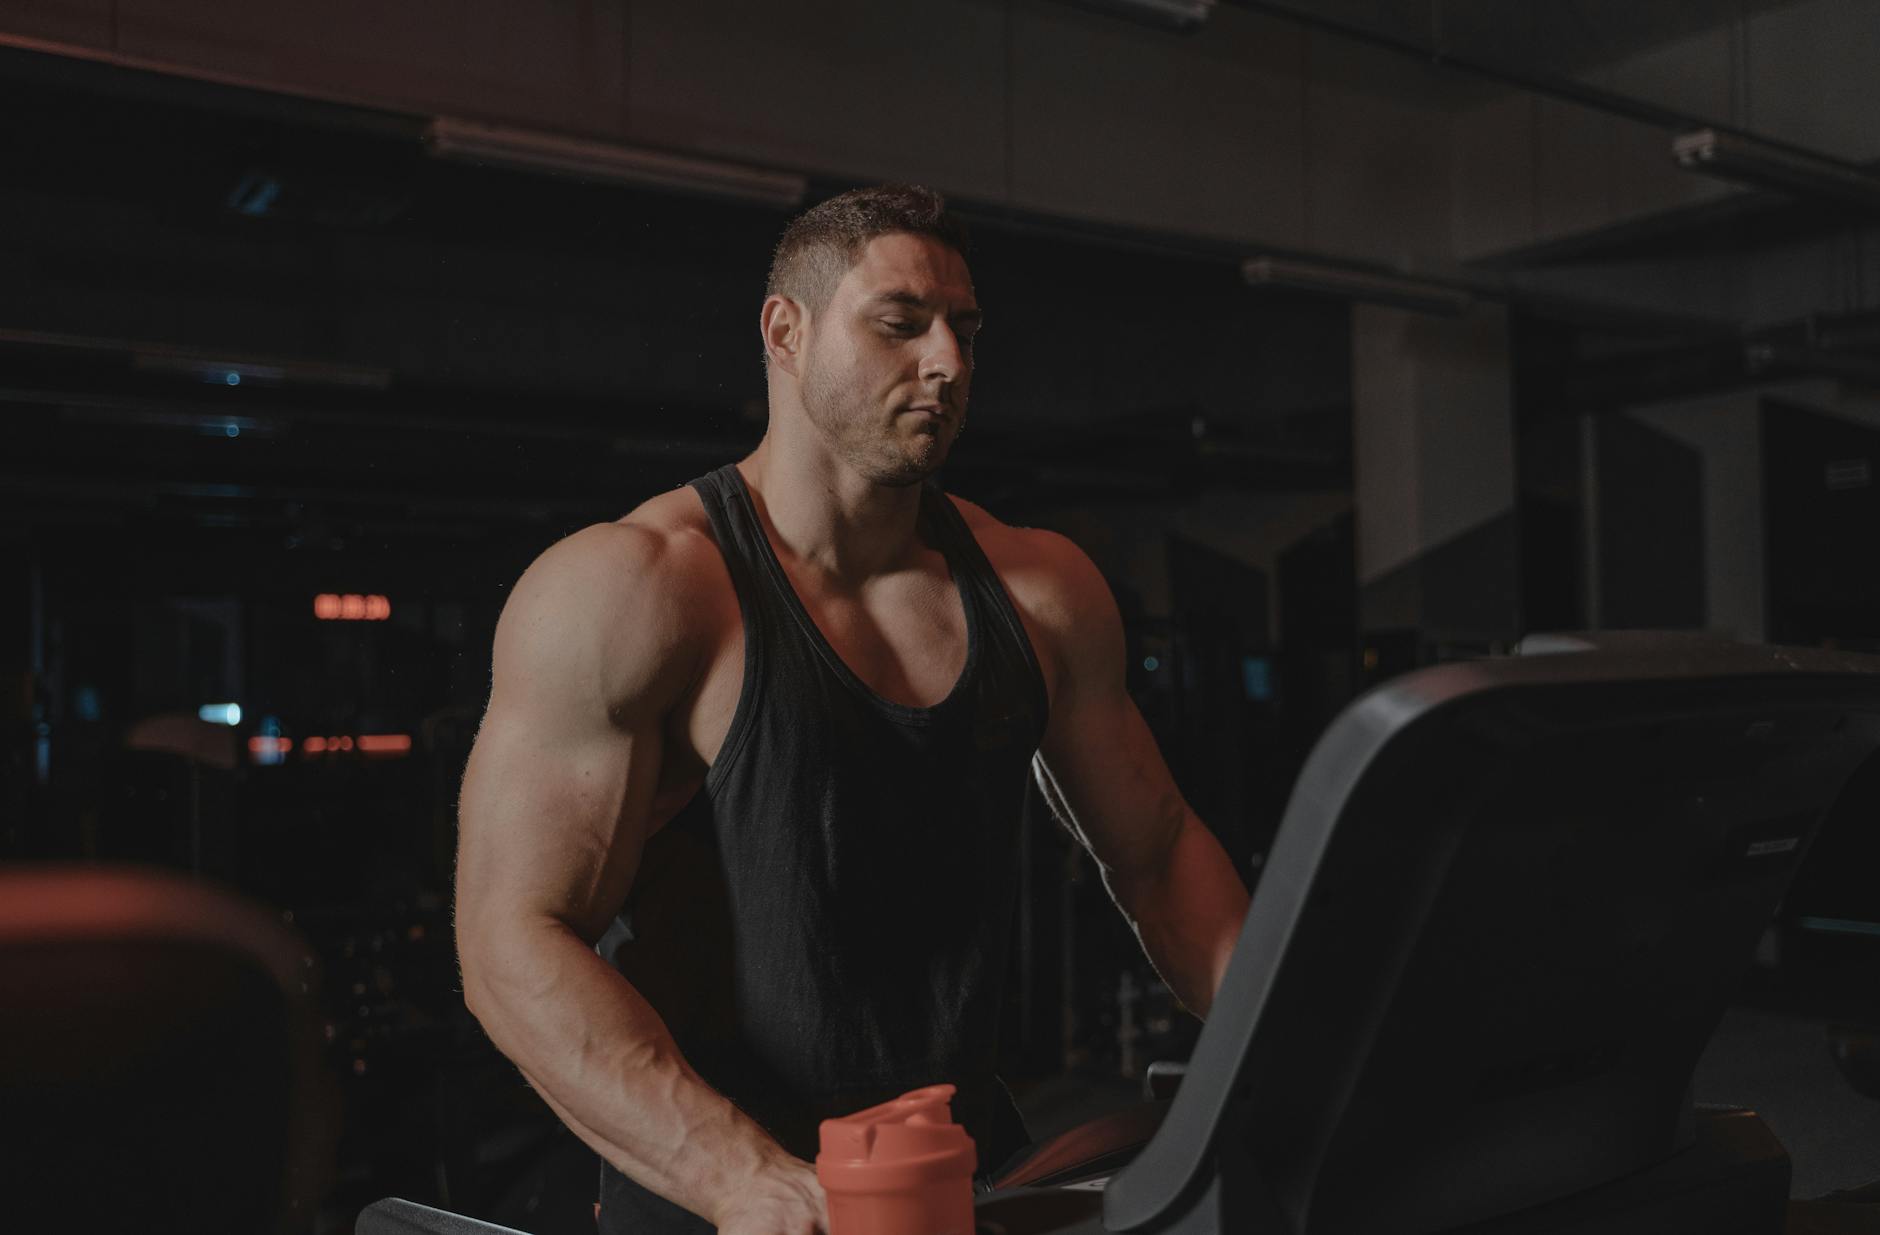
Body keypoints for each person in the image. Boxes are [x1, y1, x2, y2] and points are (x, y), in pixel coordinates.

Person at [454, 184, 1251, 1234]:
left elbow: (1155, 857)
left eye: (964, 331)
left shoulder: (1039, 592)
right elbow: (510, 938)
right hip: (728, 1191)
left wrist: (1281, 1051)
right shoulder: (639, 590)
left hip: (959, 1170)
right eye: (900, 323)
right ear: (784, 331)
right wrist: (741, 1175)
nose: (948, 364)